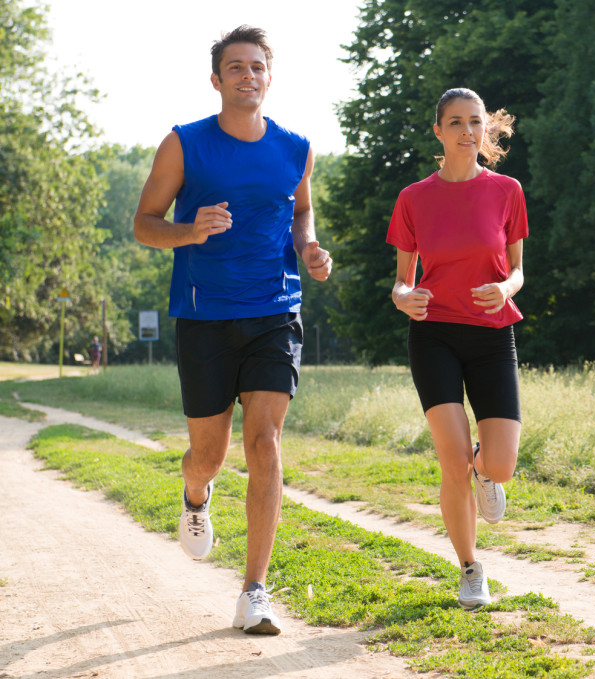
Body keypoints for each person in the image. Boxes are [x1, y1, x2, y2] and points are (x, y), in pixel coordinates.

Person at [133, 25, 332, 635]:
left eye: (258, 66)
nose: (248, 75)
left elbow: (299, 210)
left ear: (270, 78)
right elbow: (144, 223)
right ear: (216, 80)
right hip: (205, 316)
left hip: (276, 310)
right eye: (236, 67)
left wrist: (311, 246)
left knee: (265, 442)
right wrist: (189, 230)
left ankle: (255, 591)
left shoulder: (296, 147)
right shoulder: (185, 144)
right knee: (208, 455)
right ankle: (195, 498)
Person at [387, 87, 527, 611]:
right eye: (456, 122)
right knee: (451, 460)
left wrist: (507, 289)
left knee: (502, 464)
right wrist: (405, 298)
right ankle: (471, 569)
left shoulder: (508, 191)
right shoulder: (413, 198)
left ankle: (486, 472)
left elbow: (516, 269)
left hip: (492, 333)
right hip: (435, 335)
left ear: (486, 130)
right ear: (439, 132)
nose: (468, 131)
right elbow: (401, 281)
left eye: (476, 122)